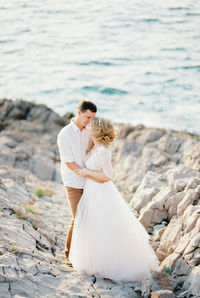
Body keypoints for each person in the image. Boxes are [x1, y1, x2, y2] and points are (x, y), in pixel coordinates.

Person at [69, 116, 159, 282]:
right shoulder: (92, 147)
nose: (86, 126)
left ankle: (109, 264)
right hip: (91, 189)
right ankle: (94, 260)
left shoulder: (103, 151)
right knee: (91, 223)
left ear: (96, 130)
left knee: (104, 225)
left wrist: (87, 173)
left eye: (89, 125)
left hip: (101, 191)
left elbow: (108, 175)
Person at [57, 99, 104, 265]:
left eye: (92, 118)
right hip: (73, 182)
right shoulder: (65, 134)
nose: (89, 121)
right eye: (87, 117)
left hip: (90, 182)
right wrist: (86, 173)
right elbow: (69, 162)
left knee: (89, 218)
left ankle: (84, 254)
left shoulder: (88, 131)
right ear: (79, 113)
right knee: (79, 219)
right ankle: (68, 255)